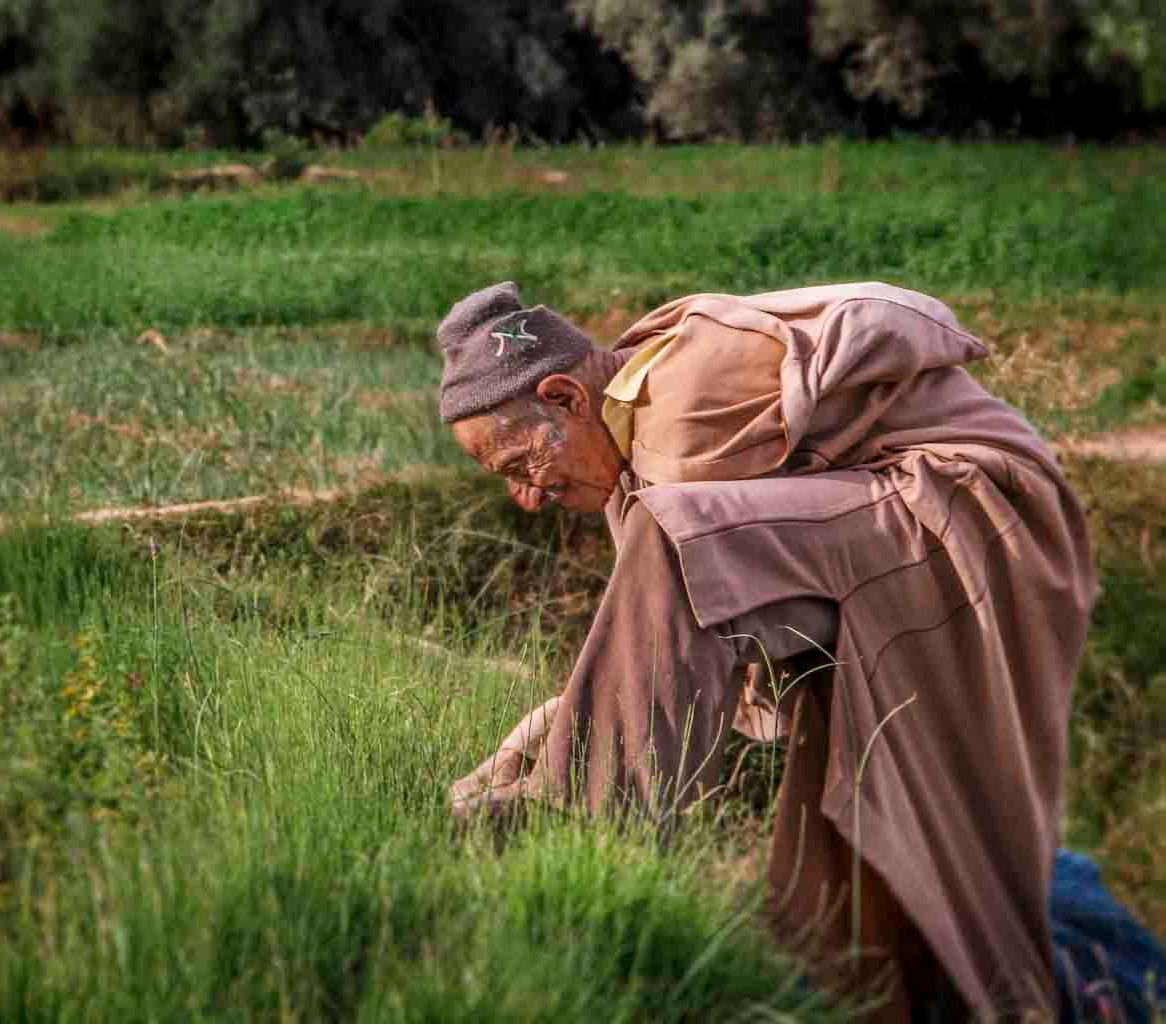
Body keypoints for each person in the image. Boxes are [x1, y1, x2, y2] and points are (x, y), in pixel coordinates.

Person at [436, 281, 1098, 1022]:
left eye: (517, 466)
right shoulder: (640, 424)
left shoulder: (682, 413)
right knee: (834, 890)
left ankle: (577, 838)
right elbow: (676, 641)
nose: (526, 498)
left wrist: (572, 750)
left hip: (974, 517)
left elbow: (689, 610)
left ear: (564, 398)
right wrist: (567, 721)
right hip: (879, 530)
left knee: (676, 536)